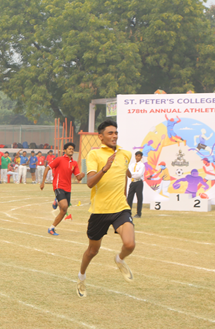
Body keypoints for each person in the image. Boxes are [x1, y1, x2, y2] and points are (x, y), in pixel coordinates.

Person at [78, 119, 135, 298]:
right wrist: (105, 168)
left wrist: (125, 198)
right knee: (92, 251)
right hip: (100, 211)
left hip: (120, 208)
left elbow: (124, 176)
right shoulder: (94, 154)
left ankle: (119, 259)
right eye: (110, 133)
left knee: (130, 244)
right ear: (101, 137)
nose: (114, 136)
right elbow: (90, 183)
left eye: (116, 133)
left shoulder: (126, 154)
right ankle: (81, 277)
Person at [40, 142, 84, 235]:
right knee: (64, 206)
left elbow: (78, 178)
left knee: (64, 210)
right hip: (58, 186)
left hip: (68, 188)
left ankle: (51, 228)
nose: (71, 150)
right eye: (69, 149)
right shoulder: (59, 159)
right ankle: (57, 200)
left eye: (72, 149)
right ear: (65, 150)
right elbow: (47, 168)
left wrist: (82, 175)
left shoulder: (74, 163)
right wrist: (43, 182)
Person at [127, 151, 145, 218]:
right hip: (133, 182)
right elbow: (129, 174)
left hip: (139, 182)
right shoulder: (132, 165)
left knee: (139, 198)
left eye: (139, 156)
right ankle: (128, 212)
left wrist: (132, 174)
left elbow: (139, 175)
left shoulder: (142, 165)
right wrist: (133, 174)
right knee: (129, 198)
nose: (137, 157)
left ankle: (138, 213)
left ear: (141, 157)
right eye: (136, 156)